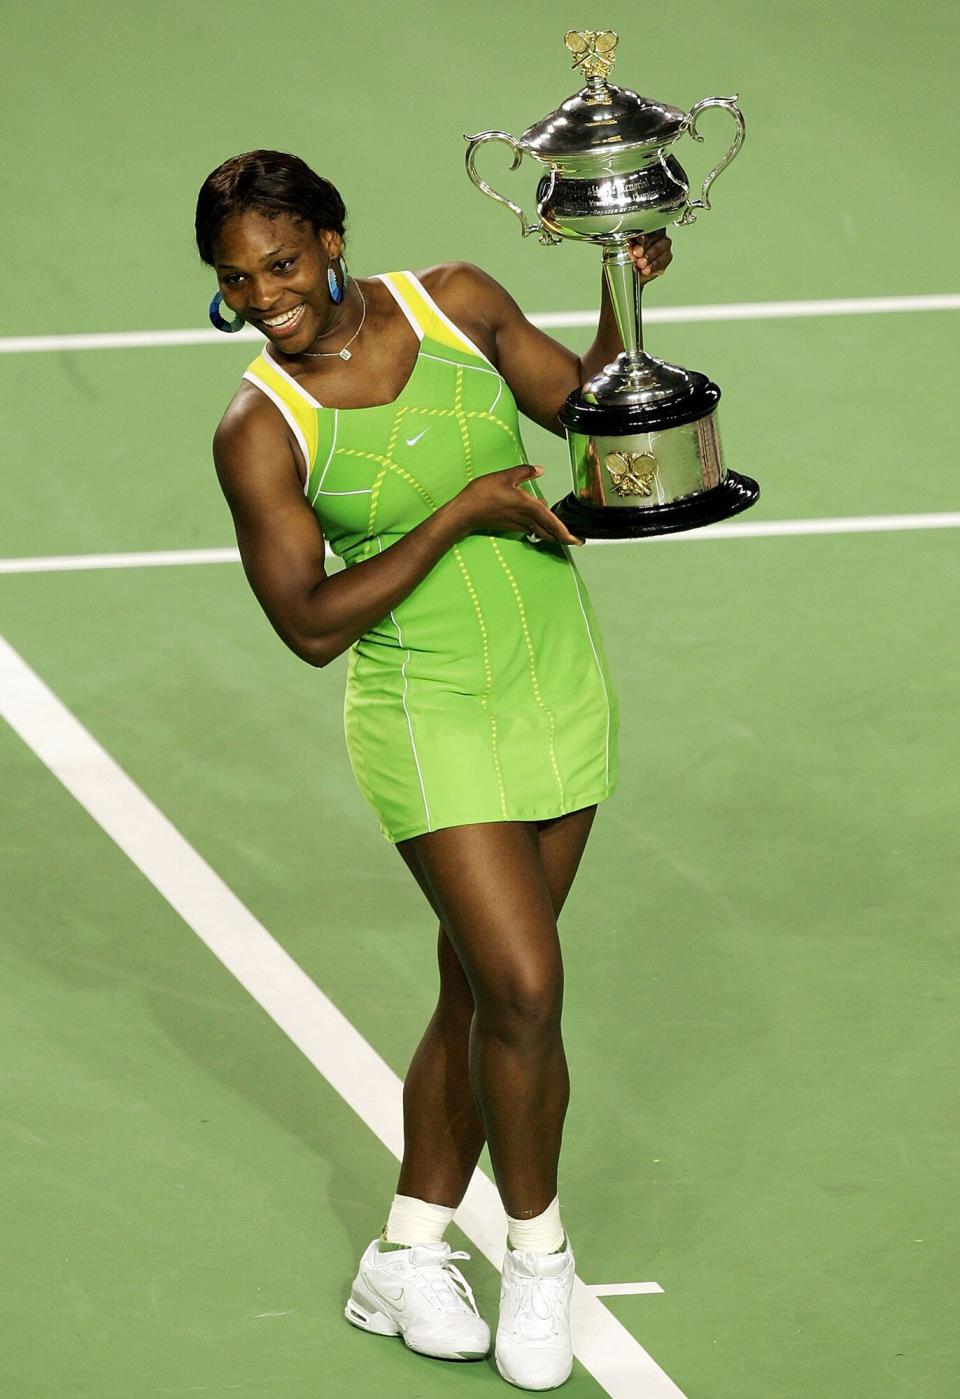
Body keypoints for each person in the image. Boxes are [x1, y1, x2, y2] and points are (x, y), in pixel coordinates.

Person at [195, 149, 672, 1391]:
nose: (269, 296)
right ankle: (538, 1257)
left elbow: (587, 410)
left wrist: (623, 281)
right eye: (240, 281)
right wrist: (459, 512)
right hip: (426, 708)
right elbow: (308, 623)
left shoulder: (457, 302)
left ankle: (403, 1252)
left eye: (284, 264)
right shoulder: (259, 429)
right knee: (523, 984)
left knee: (476, 992)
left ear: (333, 238)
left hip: (557, 682)